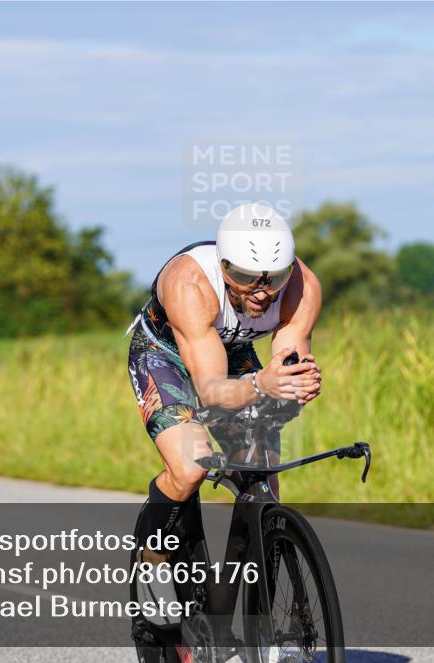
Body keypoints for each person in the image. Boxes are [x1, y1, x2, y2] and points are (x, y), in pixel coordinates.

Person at [125, 202, 323, 630]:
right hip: (166, 356)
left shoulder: (302, 286)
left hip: (230, 355)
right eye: (247, 277)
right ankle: (154, 559)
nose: (262, 291)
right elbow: (210, 392)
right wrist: (260, 386)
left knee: (263, 473)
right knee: (190, 466)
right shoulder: (190, 283)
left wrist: (294, 384)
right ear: (224, 264)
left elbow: (289, 359)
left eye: (274, 277)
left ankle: (254, 614)